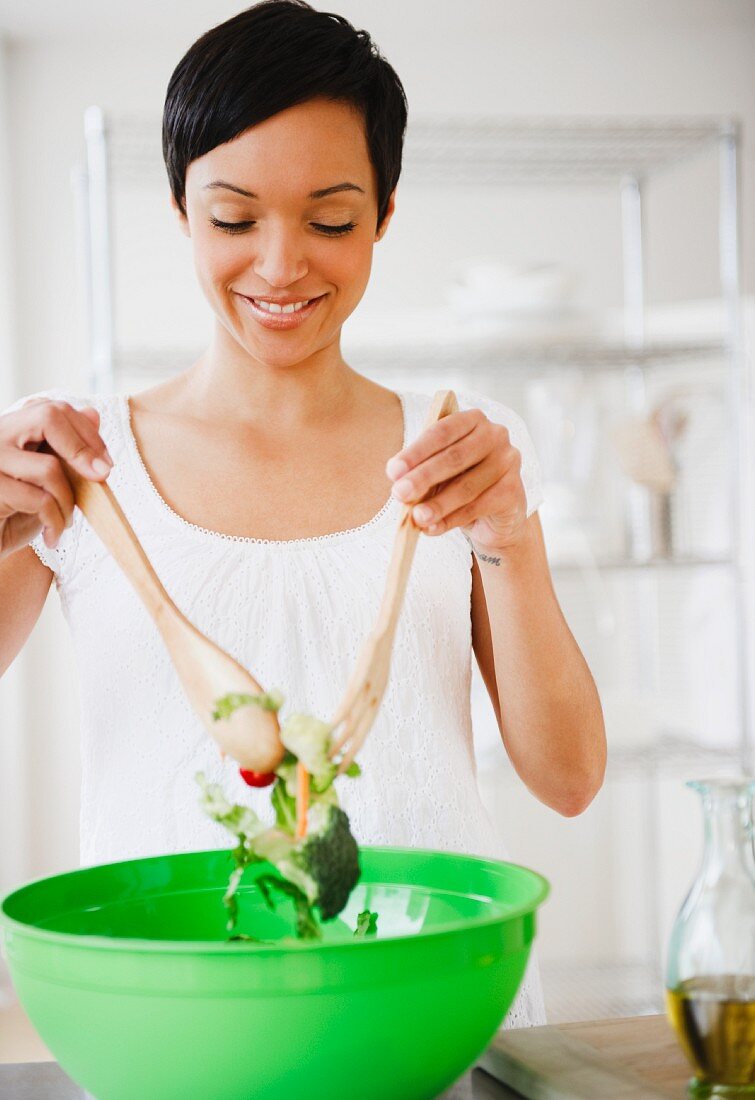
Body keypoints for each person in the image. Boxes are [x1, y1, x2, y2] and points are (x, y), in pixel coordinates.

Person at [0, 0, 605, 1028]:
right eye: (235, 217)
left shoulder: (460, 448)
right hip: (177, 1027)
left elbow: (568, 775)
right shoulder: (78, 465)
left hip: (432, 1007)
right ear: (181, 210)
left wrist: (505, 538)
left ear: (382, 214)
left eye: (329, 219)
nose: (281, 266)